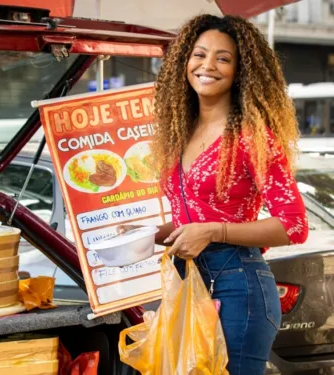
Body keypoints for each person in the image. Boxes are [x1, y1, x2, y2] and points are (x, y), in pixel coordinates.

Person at [118, 15, 308, 375]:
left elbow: (294, 225)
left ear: (241, 71)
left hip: (240, 289)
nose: (207, 66)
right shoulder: (180, 132)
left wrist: (212, 232)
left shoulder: (253, 136)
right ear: (183, 62)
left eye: (223, 58)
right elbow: (197, 217)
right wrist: (149, 232)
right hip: (188, 284)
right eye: (199, 54)